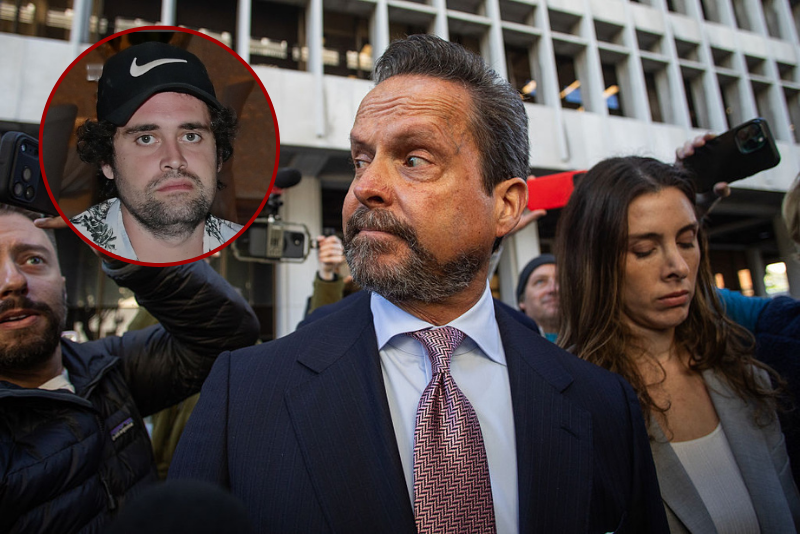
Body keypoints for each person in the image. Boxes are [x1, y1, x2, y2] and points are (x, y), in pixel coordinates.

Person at [170, 34, 668, 533]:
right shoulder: (246, 395)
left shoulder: (603, 406)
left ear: (506, 206)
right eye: (361, 160)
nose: (364, 187)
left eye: (414, 159)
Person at [556, 156, 800, 533]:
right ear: (594, 262)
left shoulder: (748, 375)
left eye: (687, 241)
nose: (678, 266)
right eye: (645, 250)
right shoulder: (568, 411)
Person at [0, 204, 259, 533]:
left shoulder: (104, 369)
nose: (12, 281)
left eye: (33, 260)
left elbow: (226, 333)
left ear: (63, 281)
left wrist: (127, 248)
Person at [70, 40, 241, 262]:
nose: (174, 159)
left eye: (191, 136)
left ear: (218, 156)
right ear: (107, 162)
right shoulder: (63, 248)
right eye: (146, 138)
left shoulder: (238, 246)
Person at [515, 253, 558, 341]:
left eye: (561, 281)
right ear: (522, 300)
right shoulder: (506, 346)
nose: (553, 288)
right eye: (540, 282)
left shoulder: (590, 345)